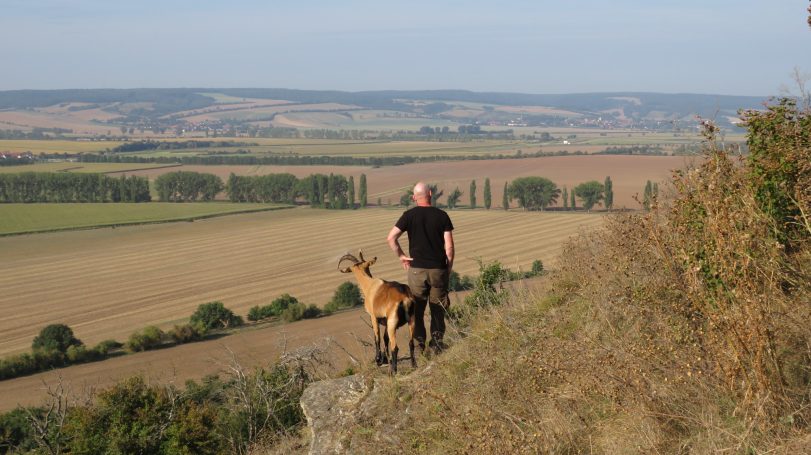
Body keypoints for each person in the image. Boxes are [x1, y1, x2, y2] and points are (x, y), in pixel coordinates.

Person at [387, 182, 455, 354]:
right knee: (438, 308)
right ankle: (437, 345)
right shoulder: (442, 216)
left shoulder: (408, 215)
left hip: (416, 270)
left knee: (416, 310)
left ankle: (418, 347)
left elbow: (391, 238)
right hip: (438, 269)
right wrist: (448, 267)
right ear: (431, 194)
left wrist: (402, 256)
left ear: (414, 197)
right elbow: (450, 247)